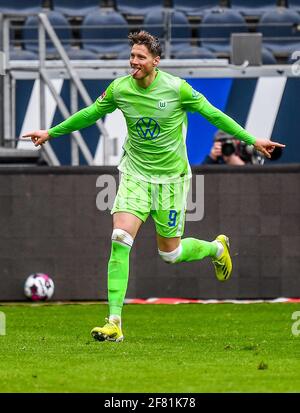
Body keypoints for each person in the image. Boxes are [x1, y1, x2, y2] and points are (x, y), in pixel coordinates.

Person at [23, 31, 285, 342]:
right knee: (119, 237)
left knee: (170, 254)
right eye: (132, 56)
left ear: (155, 61)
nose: (133, 62)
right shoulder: (120, 89)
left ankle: (216, 248)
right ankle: (114, 322)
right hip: (135, 175)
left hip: (172, 180)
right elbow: (90, 114)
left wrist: (252, 140)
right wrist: (51, 132)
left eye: (140, 57)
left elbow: (214, 114)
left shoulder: (177, 89)